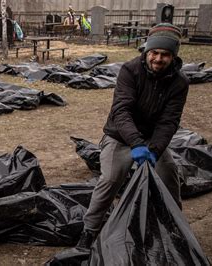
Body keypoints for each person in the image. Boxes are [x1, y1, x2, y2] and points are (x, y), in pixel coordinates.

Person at [76, 23, 190, 249]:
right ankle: (89, 231)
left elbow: (169, 121)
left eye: (165, 55)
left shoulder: (180, 82)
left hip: (151, 139)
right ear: (147, 51)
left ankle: (175, 226)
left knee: (169, 176)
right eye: (154, 53)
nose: (158, 59)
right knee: (109, 180)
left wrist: (155, 151)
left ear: (173, 56)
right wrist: (136, 144)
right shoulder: (130, 71)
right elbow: (121, 111)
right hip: (119, 137)